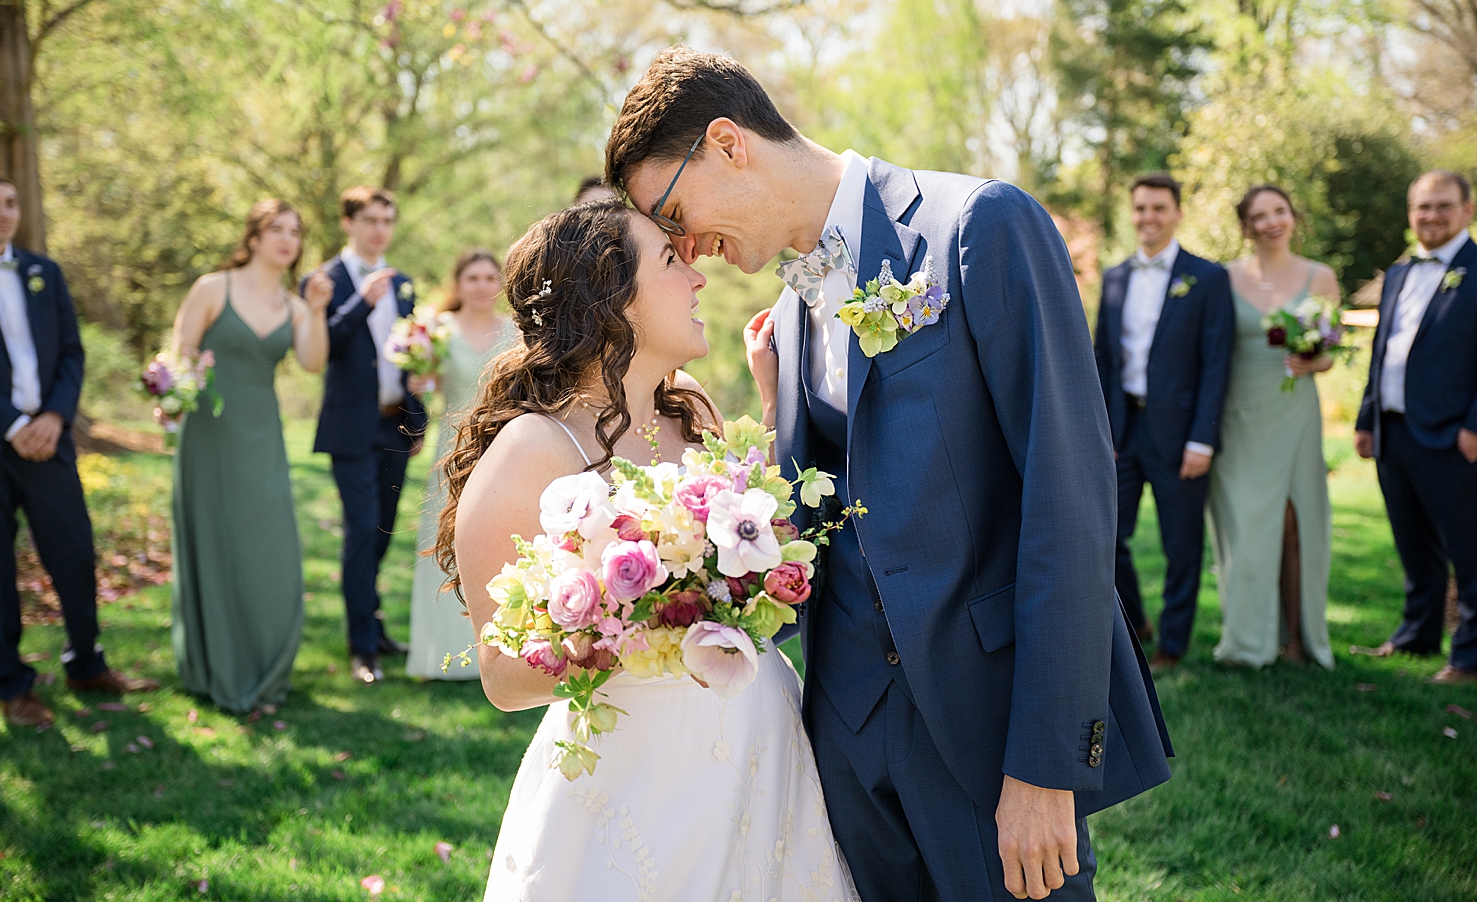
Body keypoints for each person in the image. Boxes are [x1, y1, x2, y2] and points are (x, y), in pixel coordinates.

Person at [604, 47, 1171, 902]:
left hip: (987, 728)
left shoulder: (978, 225)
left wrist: (1048, 764)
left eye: (674, 212)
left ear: (728, 143)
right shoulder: (789, 316)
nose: (686, 246)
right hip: (846, 737)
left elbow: (1072, 497)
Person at [435, 200, 860, 901]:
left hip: (763, 751)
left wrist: (777, 405)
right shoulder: (531, 452)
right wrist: (643, 625)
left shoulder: (687, 406)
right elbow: (503, 679)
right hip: (638, 781)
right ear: (613, 300)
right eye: (670, 262)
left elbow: (755, 556)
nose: (697, 278)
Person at [0, 169, 158, 728]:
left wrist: (54, 417)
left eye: (10, 202)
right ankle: (12, 686)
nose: (4, 212)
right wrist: (11, 425)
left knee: (75, 553)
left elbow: (73, 354)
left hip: (50, 440)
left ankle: (85, 662)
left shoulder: (43, 273)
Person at [169, 199, 332, 711]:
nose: (288, 239)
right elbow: (180, 355)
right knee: (215, 540)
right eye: (276, 229)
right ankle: (215, 662)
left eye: (295, 231)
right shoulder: (213, 288)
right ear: (254, 237)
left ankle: (265, 659)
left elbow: (312, 362)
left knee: (270, 547)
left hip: (263, 436)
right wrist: (171, 399)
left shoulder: (296, 306)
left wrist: (321, 310)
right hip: (209, 434)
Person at [1094, 174, 1233, 669]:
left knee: (1181, 546)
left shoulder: (1209, 278)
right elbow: (1103, 359)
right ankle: (1136, 620)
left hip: (1181, 435)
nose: (1148, 217)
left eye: (1158, 208)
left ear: (1177, 213)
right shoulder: (1113, 278)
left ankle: (1172, 645)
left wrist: (1203, 439)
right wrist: (1104, 429)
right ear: (1131, 214)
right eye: (1140, 208)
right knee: (1107, 535)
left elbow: (1218, 364)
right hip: (1123, 430)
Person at [1207, 185, 1337, 669]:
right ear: (1246, 226)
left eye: (1279, 211)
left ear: (1292, 216)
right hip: (1237, 415)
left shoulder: (1320, 276)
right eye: (1258, 216)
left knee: (1296, 524)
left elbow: (1328, 352)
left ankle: (1299, 639)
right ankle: (1246, 641)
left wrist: (1313, 361)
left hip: (1293, 412)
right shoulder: (1223, 278)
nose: (1270, 222)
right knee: (1245, 526)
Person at [1355, 169, 1477, 685]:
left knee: (1468, 550)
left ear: (1467, 210)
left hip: (1453, 434)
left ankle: (1470, 658)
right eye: (1422, 207)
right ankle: (1416, 636)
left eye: (1442, 205)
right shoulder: (1401, 272)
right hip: (1394, 429)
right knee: (1413, 543)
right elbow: (1383, 350)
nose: (1430, 215)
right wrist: (1366, 418)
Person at [308, 186, 428, 685]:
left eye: (387, 220)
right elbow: (322, 345)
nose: (380, 229)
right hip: (349, 426)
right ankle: (362, 649)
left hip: (394, 419)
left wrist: (418, 413)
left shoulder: (403, 283)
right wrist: (362, 301)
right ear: (349, 223)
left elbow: (416, 354)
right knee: (360, 532)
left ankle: (374, 627)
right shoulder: (322, 281)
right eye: (370, 220)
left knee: (380, 532)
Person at [406, 248, 516, 680]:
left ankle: (502, 649)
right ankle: (440, 651)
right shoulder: (436, 331)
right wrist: (418, 380)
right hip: (450, 448)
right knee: (444, 539)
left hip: (501, 445)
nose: (483, 286)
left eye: (491, 278)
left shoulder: (516, 332)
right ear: (458, 284)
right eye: (473, 278)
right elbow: (421, 381)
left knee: (498, 539)